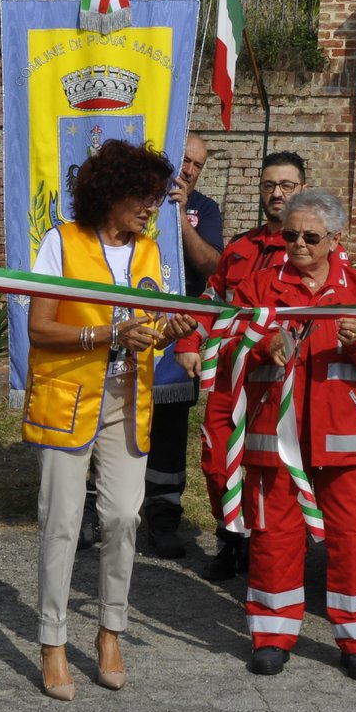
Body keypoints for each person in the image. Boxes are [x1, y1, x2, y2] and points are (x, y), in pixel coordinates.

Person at [23, 140, 197, 701]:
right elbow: (39, 330)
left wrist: (172, 332)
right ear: (109, 194)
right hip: (69, 397)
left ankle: (109, 633)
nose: (152, 206)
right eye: (142, 196)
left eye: (155, 197)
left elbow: (163, 321)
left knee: (124, 517)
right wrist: (106, 334)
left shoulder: (150, 252)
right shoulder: (62, 243)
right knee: (62, 522)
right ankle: (52, 643)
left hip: (128, 396)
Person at [221, 188, 356, 681]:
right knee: (274, 538)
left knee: (354, 540)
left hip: (342, 444)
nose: (297, 244)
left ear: (336, 239)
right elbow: (226, 351)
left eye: (310, 237)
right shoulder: (258, 287)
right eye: (289, 235)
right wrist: (262, 346)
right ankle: (272, 636)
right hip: (273, 442)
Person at [173, 150, 309, 580]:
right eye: (269, 185)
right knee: (216, 463)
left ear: (302, 189)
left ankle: (259, 541)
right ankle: (231, 535)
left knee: (268, 466)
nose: (277, 193)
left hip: (278, 382)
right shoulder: (239, 250)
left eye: (287, 185)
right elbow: (211, 303)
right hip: (232, 375)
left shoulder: (311, 251)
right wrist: (190, 342)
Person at [142, 133, 223, 557]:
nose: (189, 170)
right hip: (133, 325)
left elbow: (212, 265)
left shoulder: (204, 209)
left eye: (198, 166)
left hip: (179, 330)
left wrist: (179, 215)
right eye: (185, 160)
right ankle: (94, 509)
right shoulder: (139, 199)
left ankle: (162, 516)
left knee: (170, 430)